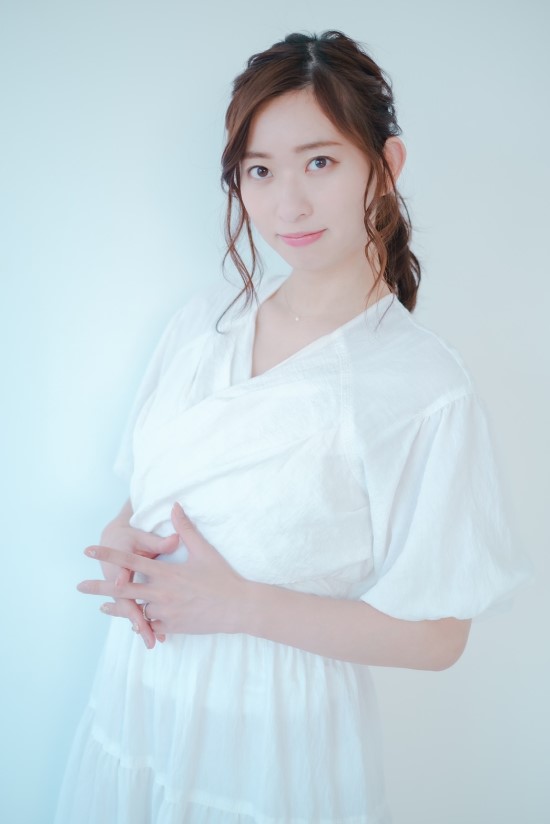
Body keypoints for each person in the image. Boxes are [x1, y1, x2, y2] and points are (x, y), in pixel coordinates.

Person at [55, 30, 531, 824]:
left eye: (320, 163)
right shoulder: (203, 322)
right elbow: (154, 489)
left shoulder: (423, 385)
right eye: (260, 171)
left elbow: (441, 637)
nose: (289, 205)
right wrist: (124, 542)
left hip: (271, 736)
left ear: (386, 165)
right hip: (141, 689)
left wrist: (240, 606)